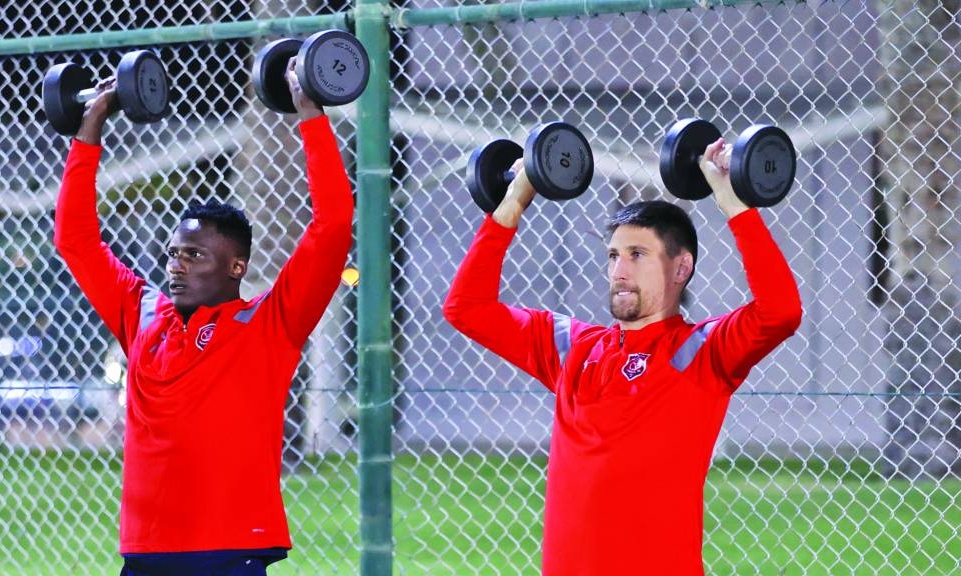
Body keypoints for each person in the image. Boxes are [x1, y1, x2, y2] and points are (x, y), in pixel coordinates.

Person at [443, 139, 802, 574]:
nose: (619, 271)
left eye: (637, 255)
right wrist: (513, 201)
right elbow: (466, 308)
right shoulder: (572, 347)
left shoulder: (704, 351)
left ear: (681, 268)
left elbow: (780, 312)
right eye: (613, 255)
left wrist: (733, 204)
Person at [53, 60, 354, 576]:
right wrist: (91, 125)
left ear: (237, 267)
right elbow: (75, 241)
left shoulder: (272, 323)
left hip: (230, 549)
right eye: (174, 253)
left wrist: (310, 114)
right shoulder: (141, 310)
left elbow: (331, 226)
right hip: (146, 551)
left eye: (195, 255)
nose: (177, 264)